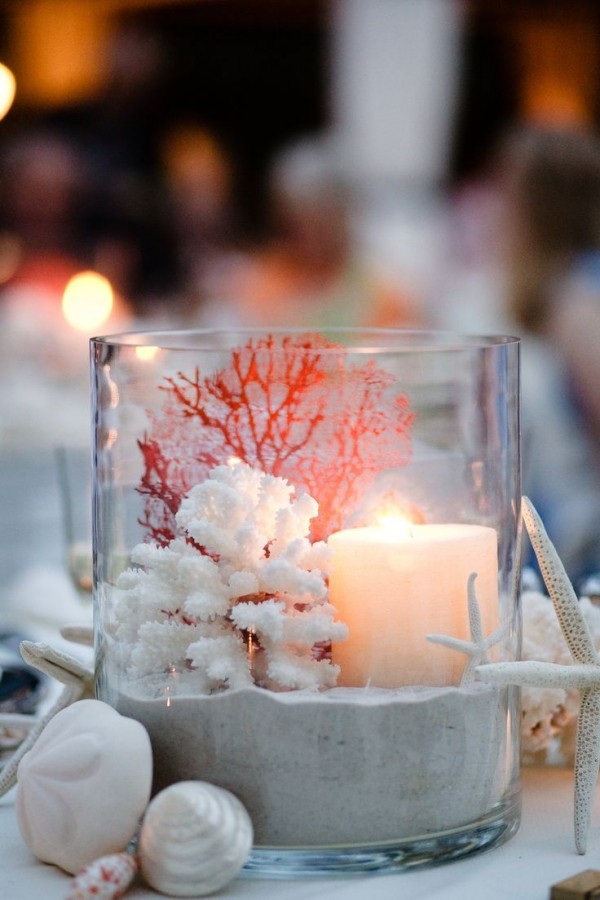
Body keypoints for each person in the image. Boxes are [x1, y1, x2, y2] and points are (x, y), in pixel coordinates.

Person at [195, 134, 419, 330]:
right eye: (295, 222)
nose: (306, 235)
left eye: (318, 223)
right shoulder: (259, 279)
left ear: (343, 216)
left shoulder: (382, 292)